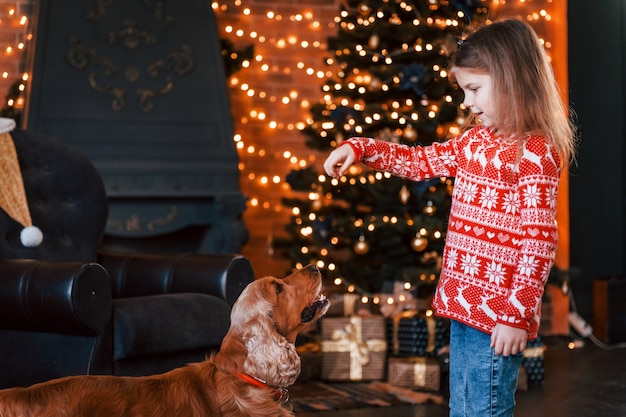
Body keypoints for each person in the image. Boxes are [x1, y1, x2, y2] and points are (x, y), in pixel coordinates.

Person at [323, 19, 576, 417]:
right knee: (462, 409)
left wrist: (516, 315)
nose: (467, 103)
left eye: (474, 89)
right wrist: (360, 148)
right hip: (461, 308)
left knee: (483, 411)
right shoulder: (474, 141)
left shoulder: (535, 153)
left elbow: (539, 241)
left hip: (496, 320)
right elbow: (420, 161)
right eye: (463, 91)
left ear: (512, 78)